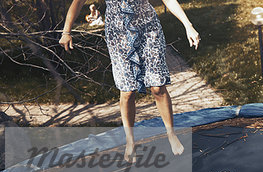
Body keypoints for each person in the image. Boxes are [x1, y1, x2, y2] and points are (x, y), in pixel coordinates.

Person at [59, 0, 200, 160]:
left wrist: (188, 25)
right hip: (118, 36)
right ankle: (130, 140)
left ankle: (171, 134)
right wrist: (66, 31)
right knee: (127, 91)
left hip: (149, 31)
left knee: (158, 87)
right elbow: (77, 3)